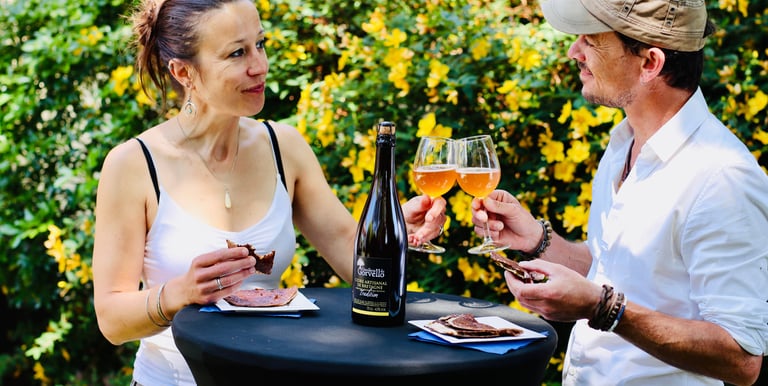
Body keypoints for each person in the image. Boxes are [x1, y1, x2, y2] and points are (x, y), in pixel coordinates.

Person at [91, 0, 446, 385]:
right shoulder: (133, 164)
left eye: (260, 44)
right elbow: (111, 320)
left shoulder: (284, 147)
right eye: (237, 53)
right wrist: (179, 293)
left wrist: (389, 235)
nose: (259, 66)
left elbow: (353, 255)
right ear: (183, 72)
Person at [471, 1, 768, 385]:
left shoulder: (723, 177)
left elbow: (741, 358)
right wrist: (537, 240)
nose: (573, 52)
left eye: (591, 40)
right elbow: (618, 273)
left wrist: (603, 309)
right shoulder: (623, 143)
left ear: (650, 63)